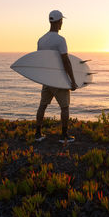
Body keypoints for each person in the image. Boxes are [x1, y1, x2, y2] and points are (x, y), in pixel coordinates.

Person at [35, 10, 78, 143]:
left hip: (47, 79)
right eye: (61, 21)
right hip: (59, 80)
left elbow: (40, 61)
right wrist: (73, 81)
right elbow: (66, 61)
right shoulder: (60, 40)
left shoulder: (41, 40)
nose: (62, 24)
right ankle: (64, 135)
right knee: (64, 107)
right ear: (59, 22)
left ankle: (38, 134)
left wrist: (42, 78)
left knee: (43, 105)